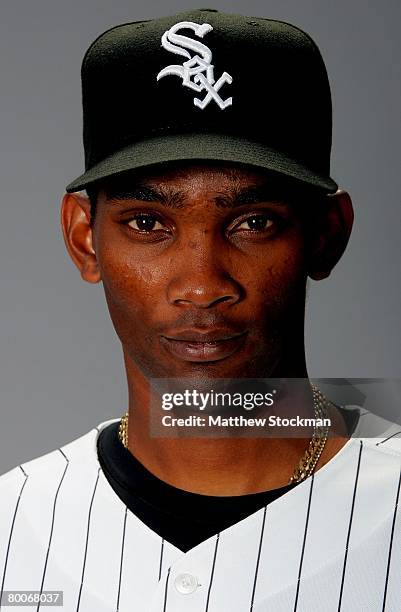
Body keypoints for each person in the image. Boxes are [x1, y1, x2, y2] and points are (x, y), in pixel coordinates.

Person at [0, 8, 400, 612]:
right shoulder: (11, 524)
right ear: (84, 237)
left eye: (254, 222)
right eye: (147, 223)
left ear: (326, 235)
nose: (202, 284)